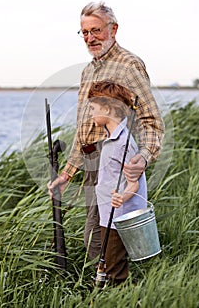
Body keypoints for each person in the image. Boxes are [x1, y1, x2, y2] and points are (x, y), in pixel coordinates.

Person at [48, 1, 164, 262]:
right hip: (91, 163)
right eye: (85, 32)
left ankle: (109, 289)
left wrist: (143, 157)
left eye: (96, 30)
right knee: (100, 232)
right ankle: (112, 285)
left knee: (99, 233)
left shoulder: (129, 65)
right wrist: (67, 173)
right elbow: (84, 130)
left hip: (114, 160)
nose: (90, 38)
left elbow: (152, 120)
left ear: (114, 29)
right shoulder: (88, 70)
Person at [87, 80, 147, 284]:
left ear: (107, 108)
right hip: (107, 215)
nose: (91, 113)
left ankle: (120, 298)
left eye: (93, 108)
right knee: (109, 263)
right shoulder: (110, 137)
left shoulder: (123, 142)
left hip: (118, 218)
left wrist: (122, 197)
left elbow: (134, 184)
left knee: (115, 270)